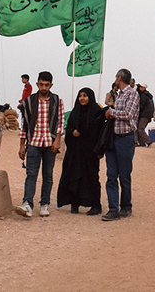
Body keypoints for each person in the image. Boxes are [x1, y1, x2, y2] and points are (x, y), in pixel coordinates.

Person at [16, 71, 64, 218]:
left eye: (47, 85)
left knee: (47, 175)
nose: (44, 87)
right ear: (37, 84)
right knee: (31, 174)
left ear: (51, 85)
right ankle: (27, 204)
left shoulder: (57, 101)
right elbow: (24, 125)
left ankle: (45, 204)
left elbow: (60, 123)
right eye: (41, 84)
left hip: (50, 143)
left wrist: (57, 140)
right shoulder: (30, 102)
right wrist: (22, 145)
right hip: (34, 142)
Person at [57, 87, 105, 215]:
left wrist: (100, 149)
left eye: (85, 96)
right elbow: (69, 127)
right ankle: (74, 203)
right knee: (74, 175)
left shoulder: (96, 112)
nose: (82, 98)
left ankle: (95, 205)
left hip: (90, 152)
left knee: (92, 177)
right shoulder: (75, 112)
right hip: (75, 151)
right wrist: (73, 131)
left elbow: (100, 132)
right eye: (80, 96)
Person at [102, 68, 139, 221]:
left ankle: (126, 206)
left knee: (124, 175)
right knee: (111, 175)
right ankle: (113, 209)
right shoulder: (118, 95)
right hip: (113, 139)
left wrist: (111, 113)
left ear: (119, 78)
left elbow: (128, 115)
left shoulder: (132, 94)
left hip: (125, 139)